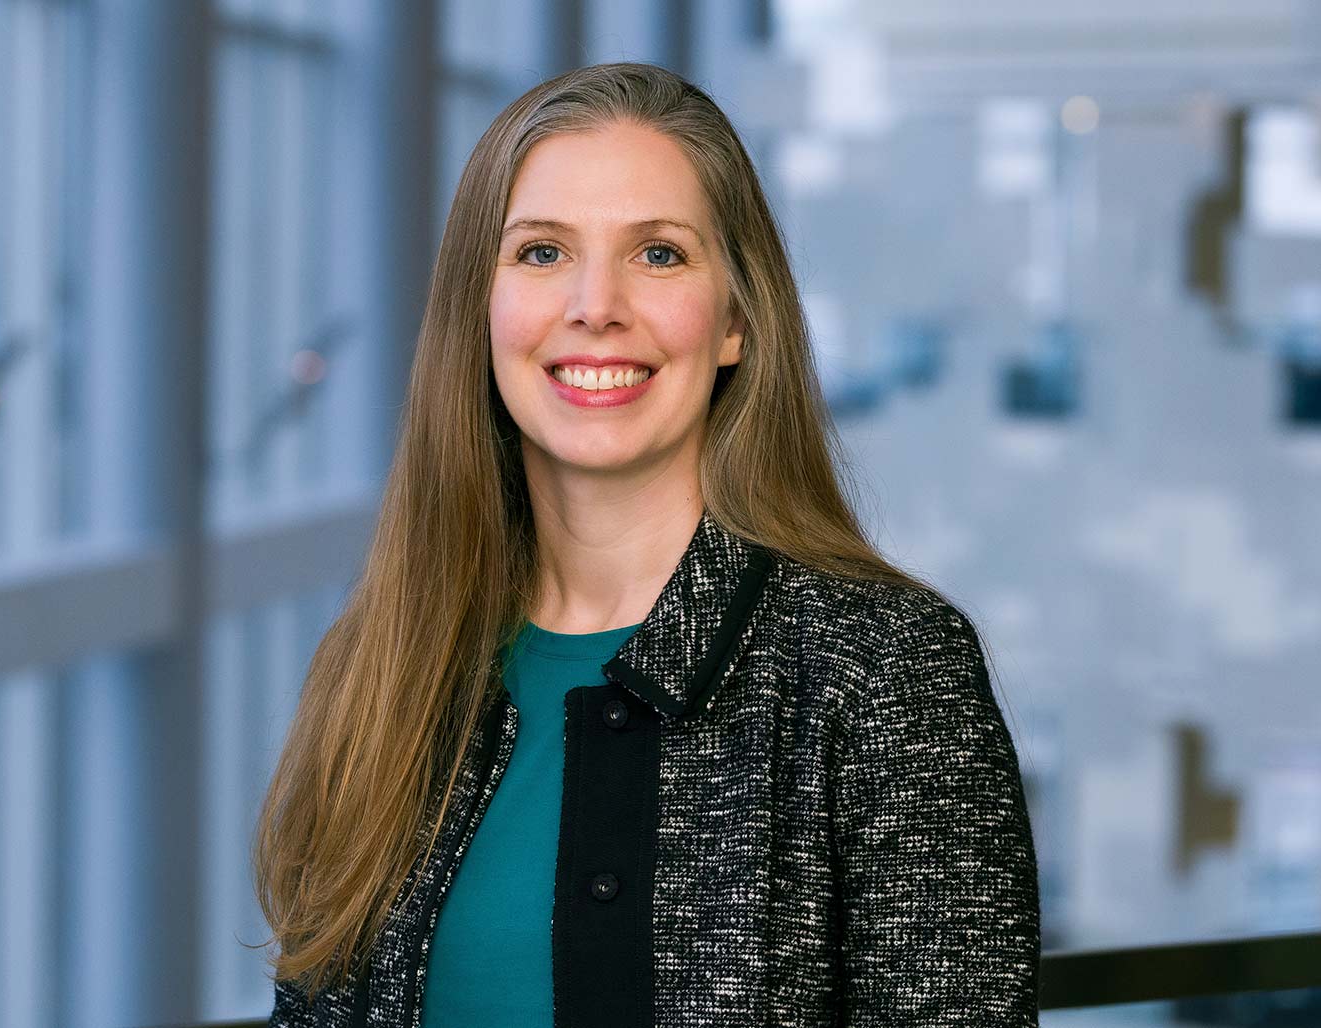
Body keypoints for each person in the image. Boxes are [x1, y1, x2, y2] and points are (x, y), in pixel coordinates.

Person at [253, 61, 1040, 1027]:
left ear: (737, 321)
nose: (596, 305)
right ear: (479, 313)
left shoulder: (884, 669)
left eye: (658, 254)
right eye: (541, 253)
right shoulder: (379, 669)